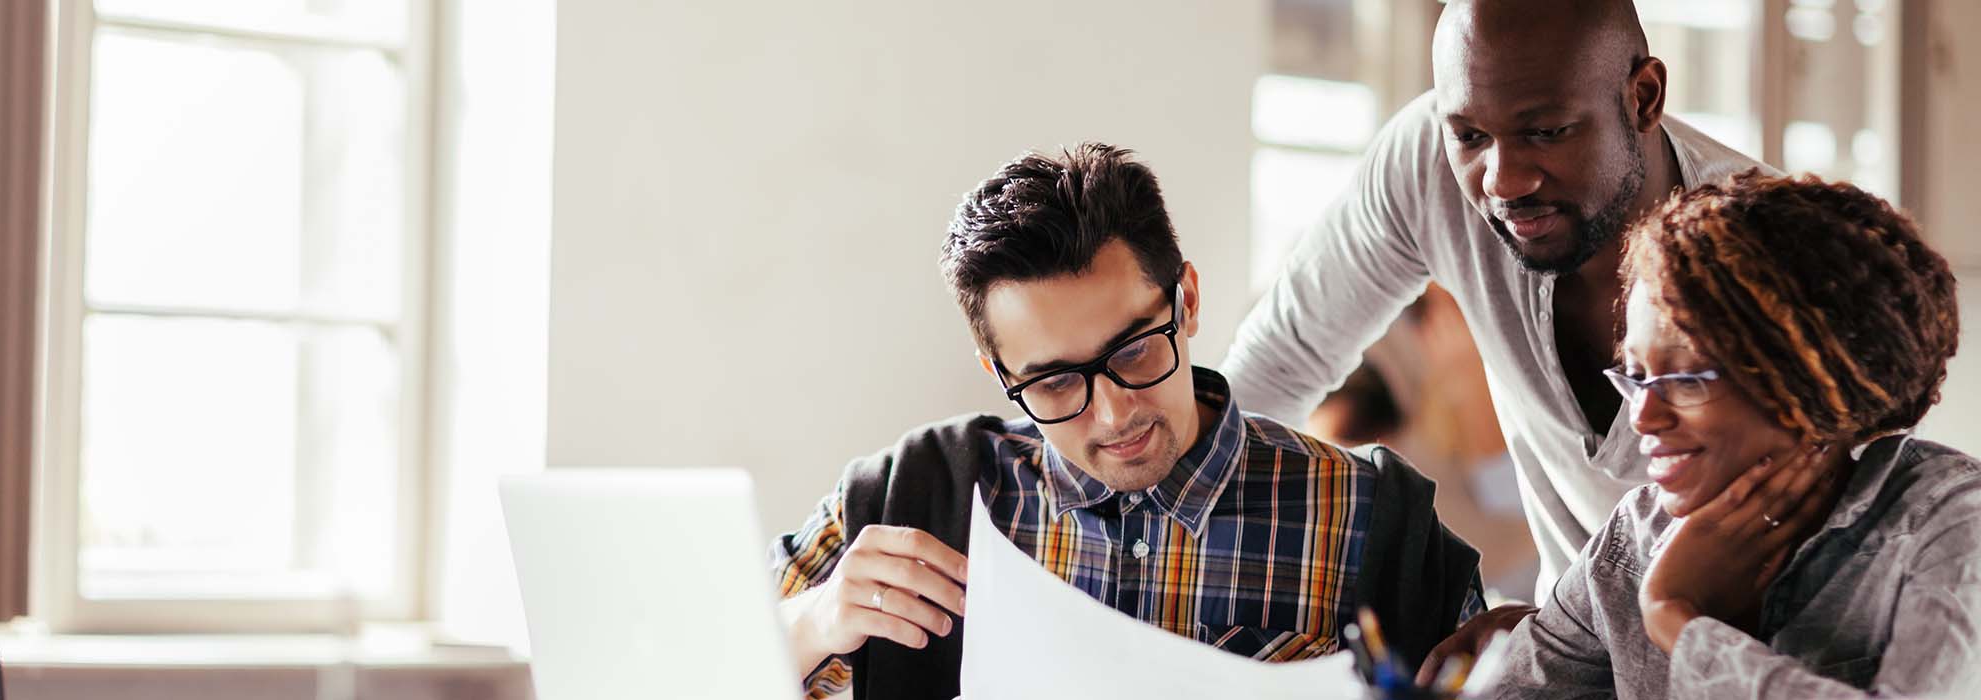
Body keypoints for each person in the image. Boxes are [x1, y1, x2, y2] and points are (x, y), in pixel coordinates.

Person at [770, 144, 1484, 699]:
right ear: (1000, 373)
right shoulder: (913, 497)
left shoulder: (1375, 520)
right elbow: (687, 667)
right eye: (1052, 382)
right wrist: (813, 621)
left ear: (1189, 300)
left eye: (1136, 350)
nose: (1114, 413)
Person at [1221, 0, 1774, 665]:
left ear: (1643, 97)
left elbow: (1828, 571)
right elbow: (1270, 375)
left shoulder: (1774, 260)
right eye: (1470, 135)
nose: (1502, 180)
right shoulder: (1426, 165)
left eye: (1547, 131)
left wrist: (1561, 633)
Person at [1481, 172, 1977, 697]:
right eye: (1637, 377)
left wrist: (1677, 619)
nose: (1642, 419)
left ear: (1809, 381)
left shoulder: (1951, 526)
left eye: (1687, 378)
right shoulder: (1635, 537)